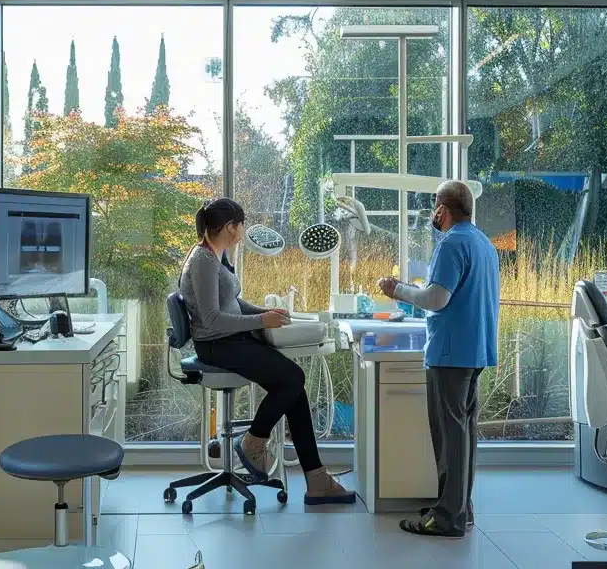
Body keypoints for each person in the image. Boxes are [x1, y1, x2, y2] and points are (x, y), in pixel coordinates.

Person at [180, 198, 355, 506]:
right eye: (241, 224)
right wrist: (262, 320)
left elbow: (232, 302)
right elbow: (210, 318)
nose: (243, 230)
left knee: (294, 387)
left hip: (229, 340)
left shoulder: (215, 256)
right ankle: (252, 443)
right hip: (217, 345)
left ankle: (316, 480)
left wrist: (266, 312)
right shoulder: (203, 262)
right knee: (293, 378)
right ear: (231, 227)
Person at [378, 181, 499, 538]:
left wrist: (396, 289)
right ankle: (461, 507)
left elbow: (436, 299)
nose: (434, 214)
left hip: (450, 352)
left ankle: (447, 517)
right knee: (464, 434)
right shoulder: (483, 243)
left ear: (443, 209)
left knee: (449, 436)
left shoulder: (451, 243)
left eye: (435, 206)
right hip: (474, 349)